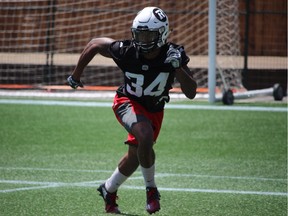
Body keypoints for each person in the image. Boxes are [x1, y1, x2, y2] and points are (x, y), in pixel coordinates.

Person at [67, 6, 197, 214]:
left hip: (154, 110)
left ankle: (108, 189)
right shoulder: (127, 50)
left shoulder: (173, 54)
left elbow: (191, 92)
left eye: (148, 35)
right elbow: (94, 44)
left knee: (136, 156)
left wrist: (177, 67)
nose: (143, 40)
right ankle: (151, 190)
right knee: (145, 137)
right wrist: (76, 75)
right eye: (139, 35)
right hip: (126, 101)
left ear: (162, 33)